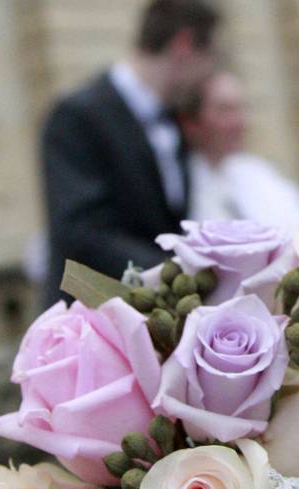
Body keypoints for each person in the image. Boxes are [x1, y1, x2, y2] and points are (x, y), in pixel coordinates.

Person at [40, 0, 221, 305]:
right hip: (93, 319)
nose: (210, 73)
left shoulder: (173, 121)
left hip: (157, 319)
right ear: (184, 45)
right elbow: (81, 233)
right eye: (212, 56)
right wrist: (176, 273)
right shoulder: (77, 116)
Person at [179, 71, 299, 231]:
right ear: (190, 122)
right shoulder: (180, 185)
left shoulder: (260, 173)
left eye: (241, 109)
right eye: (225, 110)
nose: (240, 122)